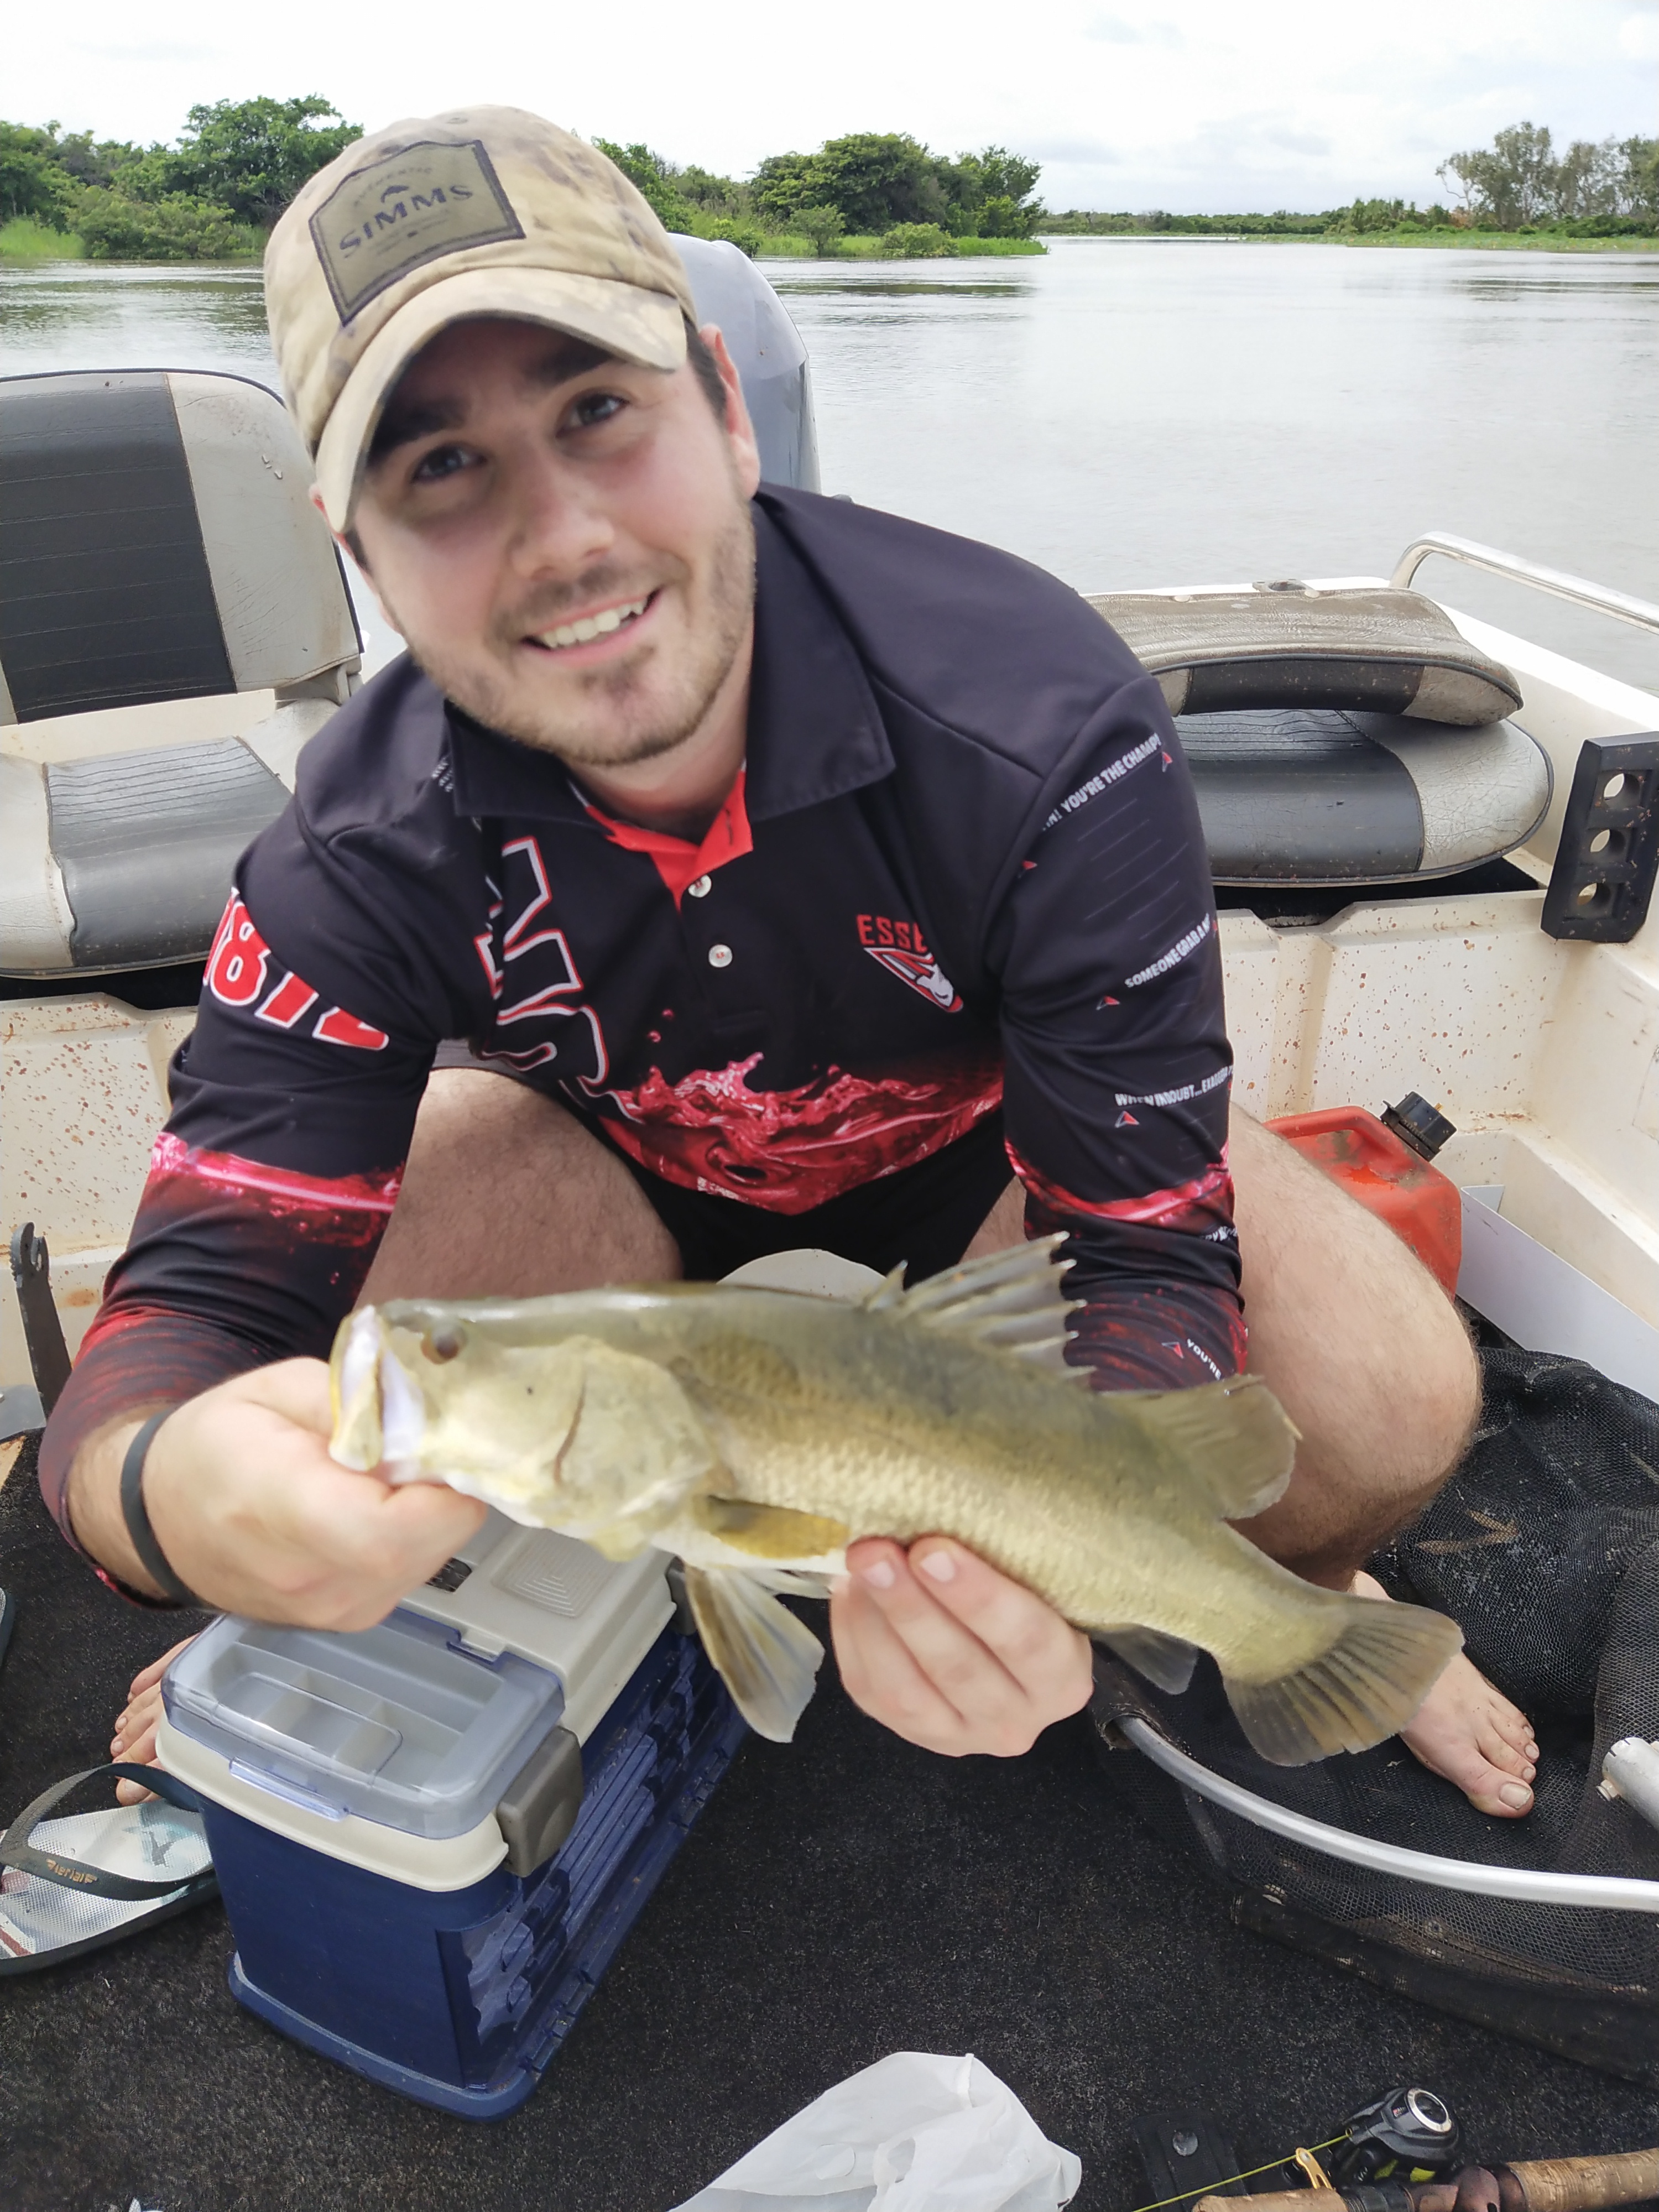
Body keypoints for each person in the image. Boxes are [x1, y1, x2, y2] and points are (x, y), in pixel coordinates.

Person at [41, 107, 1536, 1819]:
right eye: (439, 467)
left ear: (729, 411)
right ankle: (318, 1583)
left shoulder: (1046, 721)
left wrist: (1109, 1542)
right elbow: (187, 1311)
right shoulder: (350, 849)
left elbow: (1137, 1246)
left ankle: (1294, 1598)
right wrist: (178, 1508)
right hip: (609, 1187)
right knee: (325, 1363)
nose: (562, 540)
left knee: (1388, 1402)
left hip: (986, 1172)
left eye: (598, 410)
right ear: (354, 549)